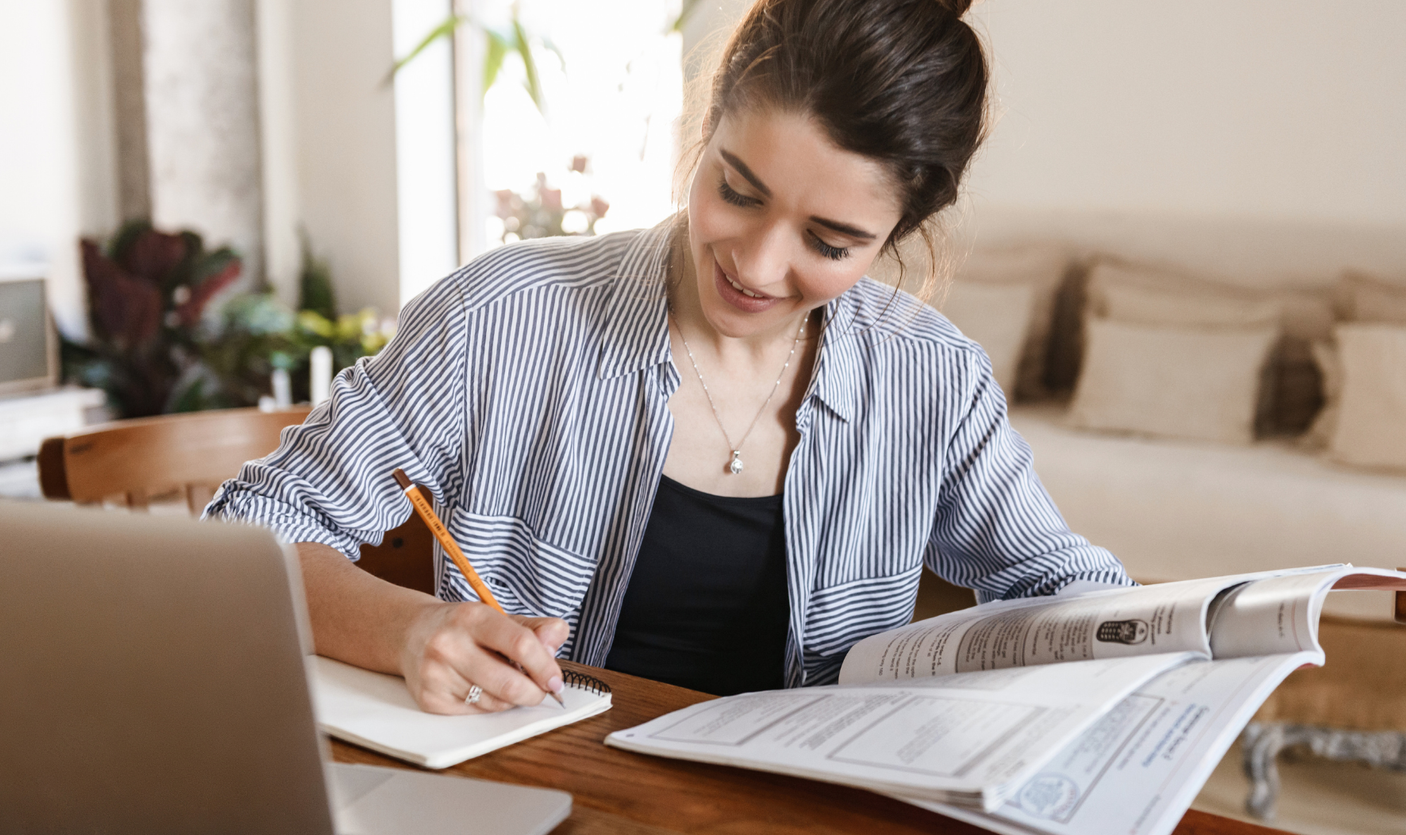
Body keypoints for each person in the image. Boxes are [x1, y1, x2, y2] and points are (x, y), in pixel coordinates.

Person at [206, 0, 1132, 713]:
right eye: (737, 189)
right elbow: (245, 536)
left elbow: (1061, 587)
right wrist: (414, 630)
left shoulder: (934, 378)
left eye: (831, 240)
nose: (758, 265)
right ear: (706, 124)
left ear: (900, 232)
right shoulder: (502, 320)